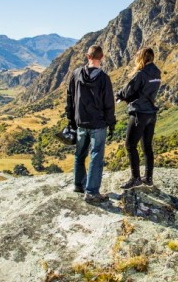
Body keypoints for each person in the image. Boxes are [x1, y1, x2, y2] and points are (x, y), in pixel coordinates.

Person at [66, 45, 116, 203]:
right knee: (96, 156)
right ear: (102, 58)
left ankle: (78, 185)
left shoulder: (76, 74)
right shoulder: (104, 78)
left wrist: (71, 120)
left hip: (81, 122)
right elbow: (109, 104)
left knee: (79, 154)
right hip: (98, 124)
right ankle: (92, 192)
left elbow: (70, 98)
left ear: (88, 56)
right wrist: (111, 123)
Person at [116, 47, 161, 189]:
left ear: (141, 58)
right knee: (147, 146)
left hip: (139, 114)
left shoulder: (140, 74)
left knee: (130, 145)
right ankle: (148, 178)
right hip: (151, 114)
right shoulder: (157, 72)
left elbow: (128, 90)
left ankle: (135, 178)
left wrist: (119, 95)